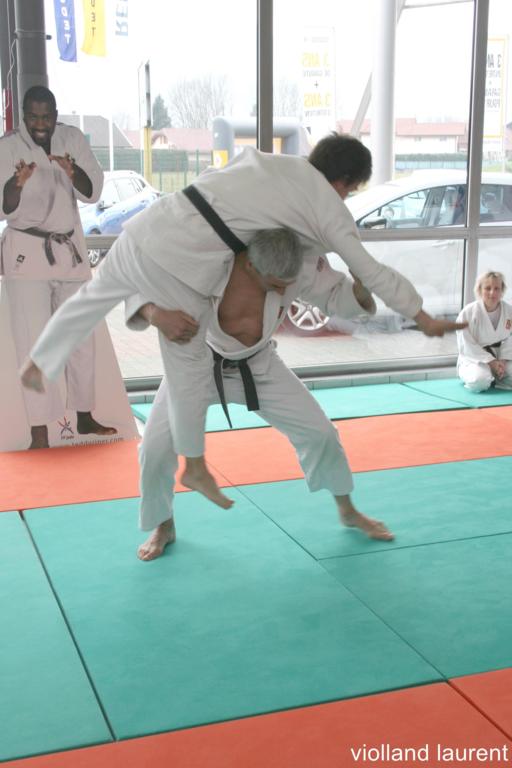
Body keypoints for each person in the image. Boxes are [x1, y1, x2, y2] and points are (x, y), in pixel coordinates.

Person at [20, 132, 464, 497]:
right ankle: (175, 497)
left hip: (249, 352)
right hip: (195, 314)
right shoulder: (294, 223)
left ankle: (41, 361)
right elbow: (368, 265)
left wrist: (361, 293)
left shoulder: (267, 185)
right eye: (348, 190)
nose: (344, 199)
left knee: (320, 433)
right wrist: (421, 317)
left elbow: (338, 293)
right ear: (342, 181)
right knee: (163, 428)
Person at [133, 228, 394, 560]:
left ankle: (347, 510)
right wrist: (156, 315)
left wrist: (361, 282)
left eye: (287, 284)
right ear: (249, 266)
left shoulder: (298, 264)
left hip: (259, 363)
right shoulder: (204, 265)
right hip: (197, 364)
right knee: (154, 449)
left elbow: (341, 301)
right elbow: (138, 285)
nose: (284, 291)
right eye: (275, 284)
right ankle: (163, 524)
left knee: (322, 433)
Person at [0, 84, 116, 448]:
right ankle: (39, 430)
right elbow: (3, 206)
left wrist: (72, 171)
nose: (40, 124)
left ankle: (84, 415)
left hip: (69, 249)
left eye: (46, 117)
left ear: (55, 115)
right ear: (24, 116)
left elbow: (93, 191)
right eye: (33, 117)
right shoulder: (8, 147)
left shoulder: (72, 139)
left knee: (80, 335)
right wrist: (16, 184)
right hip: (26, 252)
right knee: (32, 343)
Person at [456, 270, 512, 392]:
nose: (492, 293)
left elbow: (510, 339)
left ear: (502, 291)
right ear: (480, 290)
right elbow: (466, 344)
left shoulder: (509, 311)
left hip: (501, 356)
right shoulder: (468, 313)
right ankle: (483, 375)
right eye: (488, 288)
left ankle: (497, 376)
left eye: (497, 288)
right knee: (479, 381)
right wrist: (491, 362)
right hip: (475, 358)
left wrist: (502, 361)